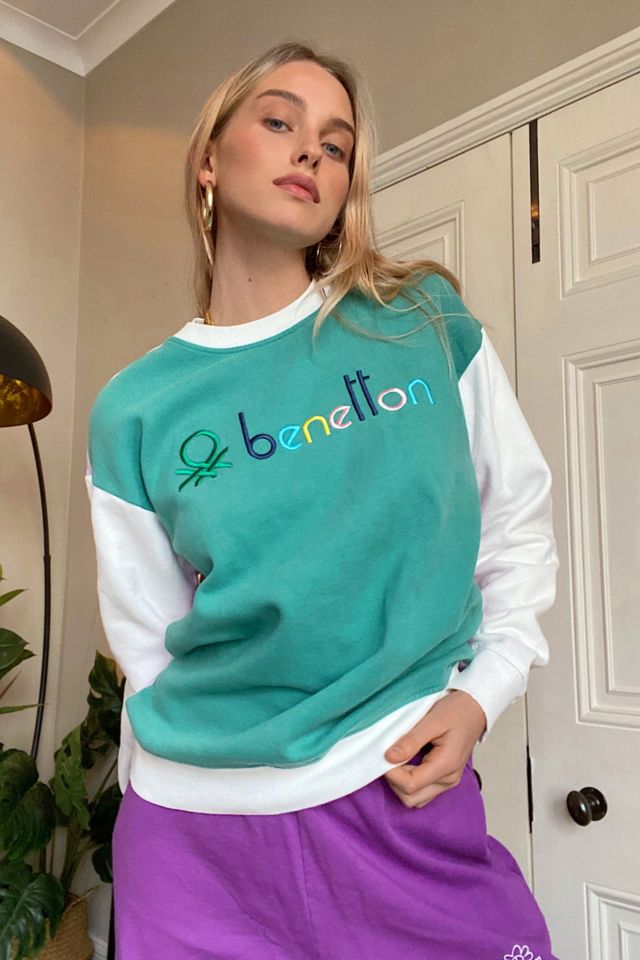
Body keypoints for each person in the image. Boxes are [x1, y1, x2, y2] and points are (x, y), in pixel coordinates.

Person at [85, 39, 560, 960]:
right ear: (209, 161)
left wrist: (484, 693)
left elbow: (515, 525)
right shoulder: (134, 407)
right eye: (279, 121)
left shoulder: (420, 323)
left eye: (336, 145)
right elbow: (147, 640)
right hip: (195, 835)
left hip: (396, 795)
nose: (311, 149)